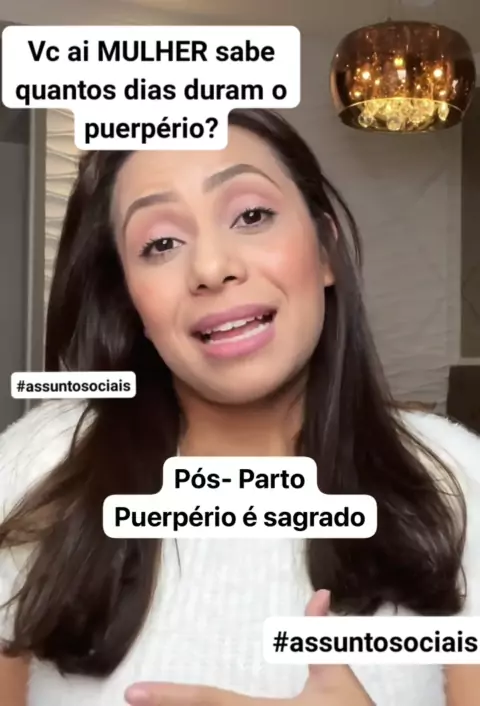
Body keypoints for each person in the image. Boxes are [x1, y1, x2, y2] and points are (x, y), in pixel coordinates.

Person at [1, 109, 480, 706]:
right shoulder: (39, 463)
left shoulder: (455, 474)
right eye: (161, 244)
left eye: (252, 216)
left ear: (325, 250)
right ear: (131, 303)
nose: (211, 268)